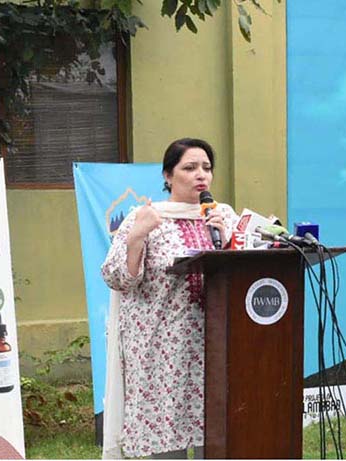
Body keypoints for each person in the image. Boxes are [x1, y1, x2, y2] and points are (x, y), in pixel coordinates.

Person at [101, 138, 239, 459]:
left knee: (218, 437)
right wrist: (137, 235)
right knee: (167, 440)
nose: (200, 175)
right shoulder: (147, 217)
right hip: (162, 350)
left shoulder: (223, 217)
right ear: (167, 176)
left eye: (206, 168)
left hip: (216, 346)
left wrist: (230, 239)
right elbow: (116, 277)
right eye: (189, 168)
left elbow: (241, 276)